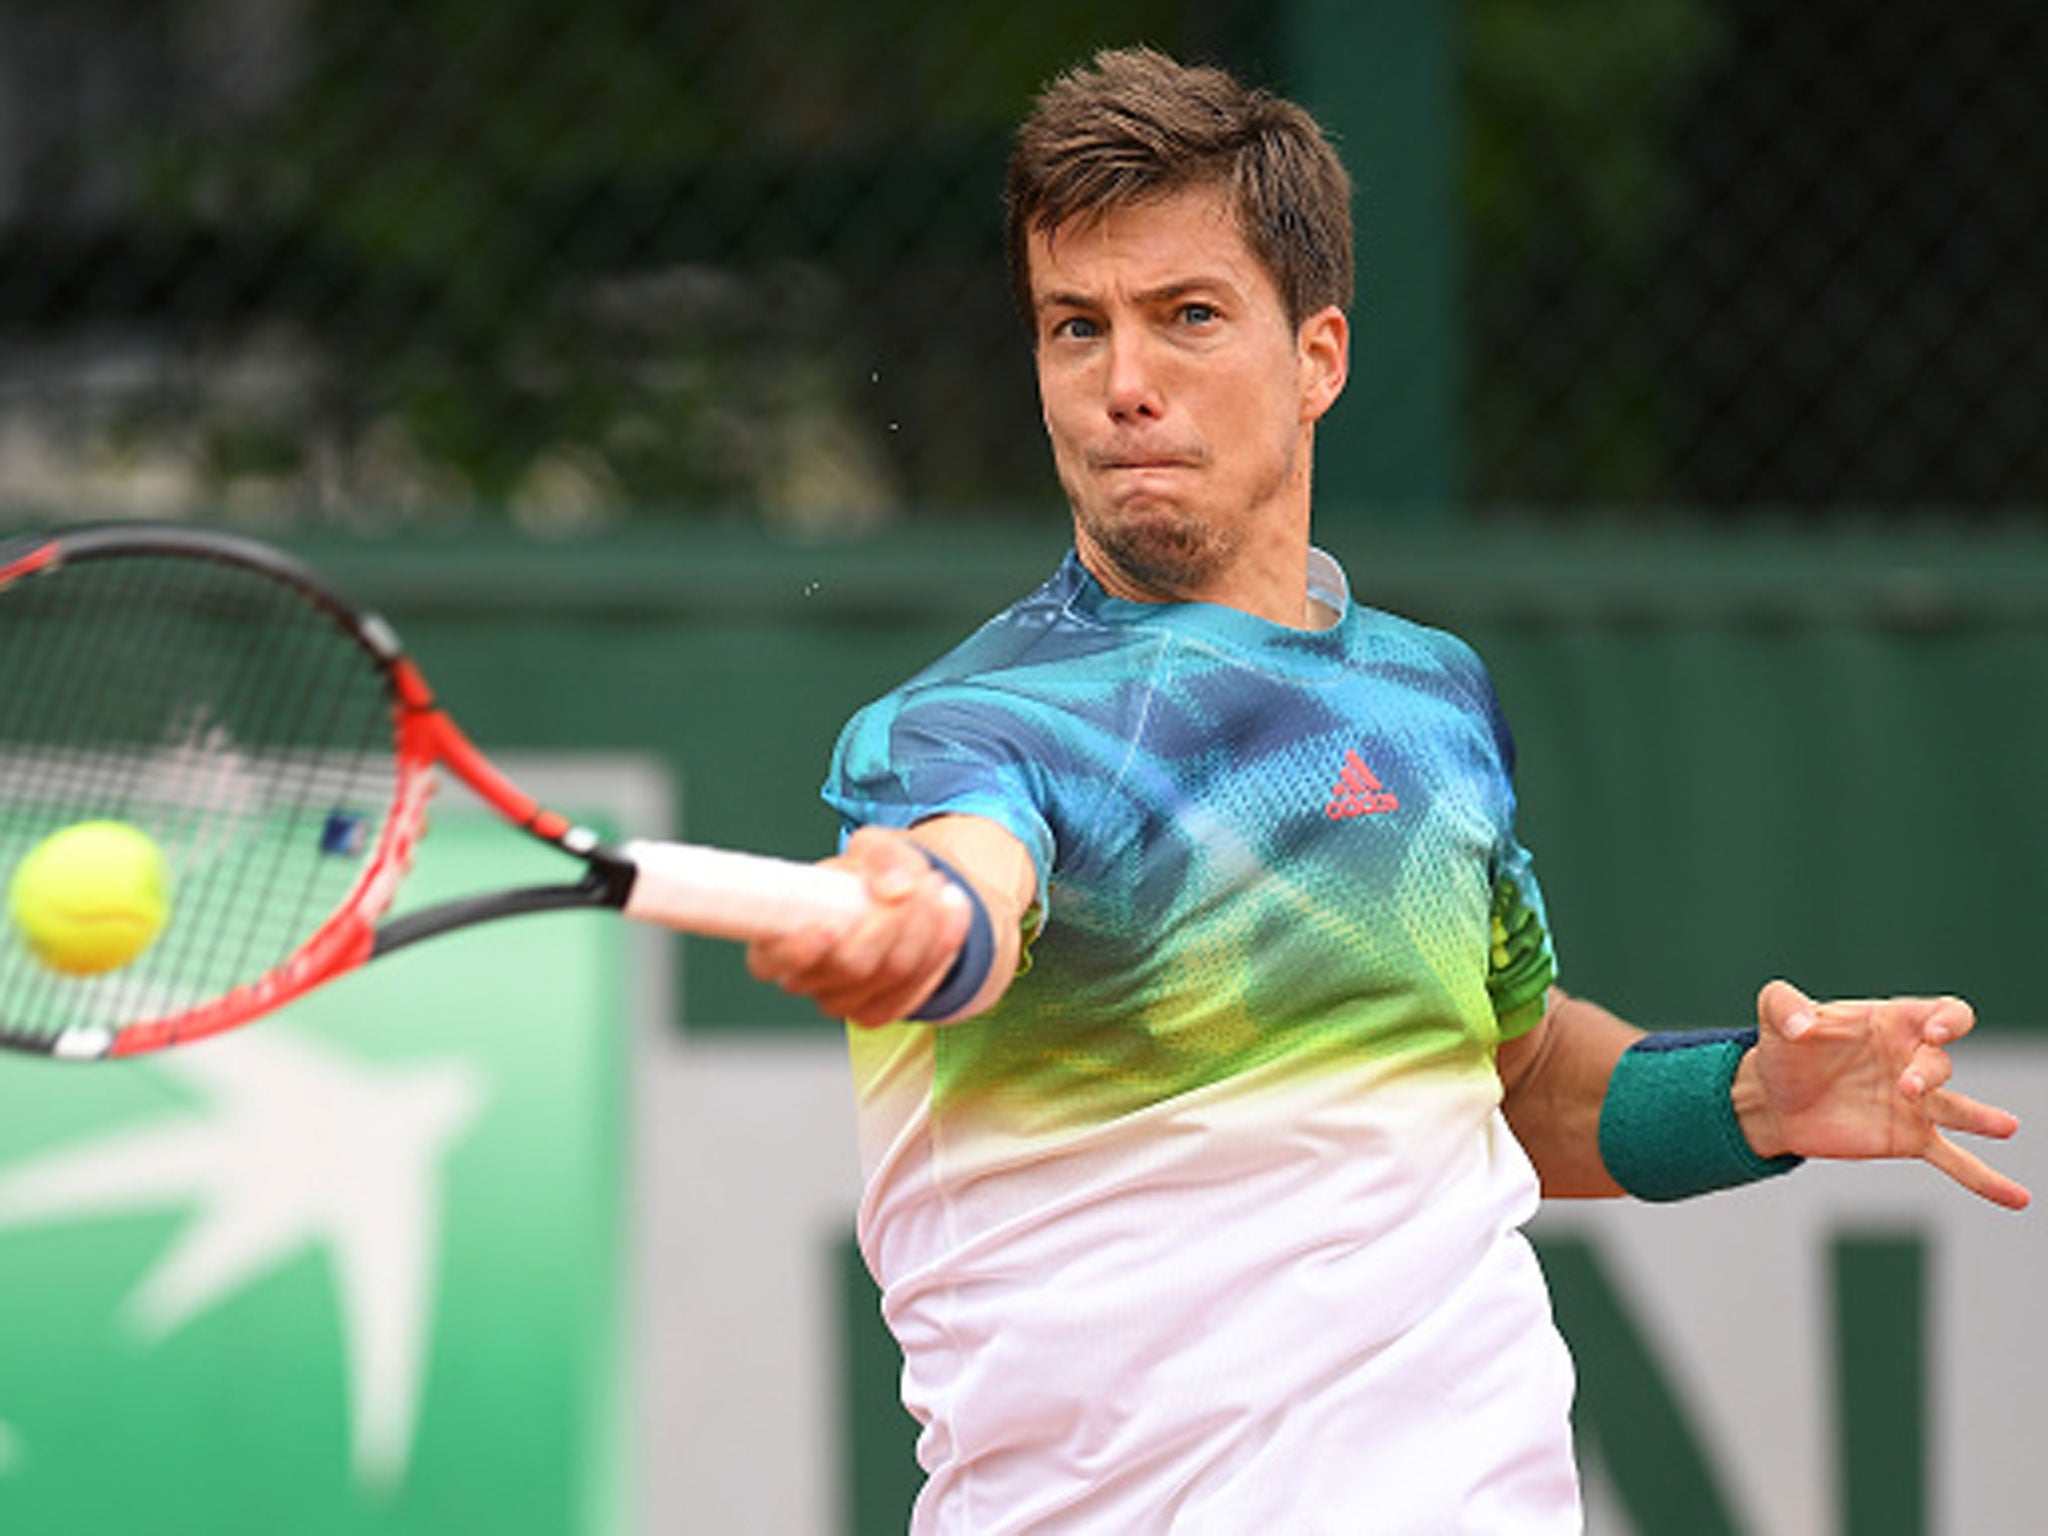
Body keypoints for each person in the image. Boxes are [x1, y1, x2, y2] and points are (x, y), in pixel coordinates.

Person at [747, 45, 2031, 1534]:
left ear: (1320, 357)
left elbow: (1514, 1077)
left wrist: (1756, 1097)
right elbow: (962, 878)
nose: (1125, 386)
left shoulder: (1429, 698)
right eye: (1074, 328)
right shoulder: (967, 731)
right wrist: (926, 917)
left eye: (1188, 318)